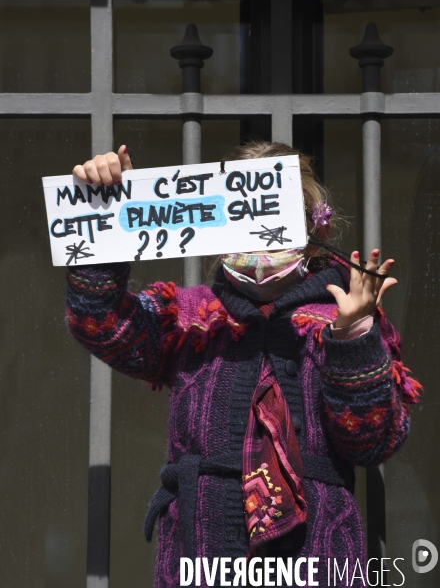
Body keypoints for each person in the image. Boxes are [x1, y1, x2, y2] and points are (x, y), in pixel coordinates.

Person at [68, 141, 422, 587]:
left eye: (270, 218)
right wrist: (105, 216)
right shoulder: (191, 318)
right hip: (200, 563)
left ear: (314, 227)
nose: (257, 238)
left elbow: (373, 443)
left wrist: (353, 339)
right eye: (241, 218)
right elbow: (100, 323)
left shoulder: (343, 321)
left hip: (319, 564)